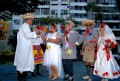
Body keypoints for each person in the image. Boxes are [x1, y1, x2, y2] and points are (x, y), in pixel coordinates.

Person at [14, 13, 39, 81]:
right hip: (23, 49)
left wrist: (35, 34)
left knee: (23, 63)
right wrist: (35, 32)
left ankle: (22, 77)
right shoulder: (25, 26)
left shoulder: (25, 26)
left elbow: (28, 37)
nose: (32, 21)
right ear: (28, 20)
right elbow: (28, 35)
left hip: (24, 48)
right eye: (31, 20)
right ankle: (21, 77)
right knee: (22, 63)